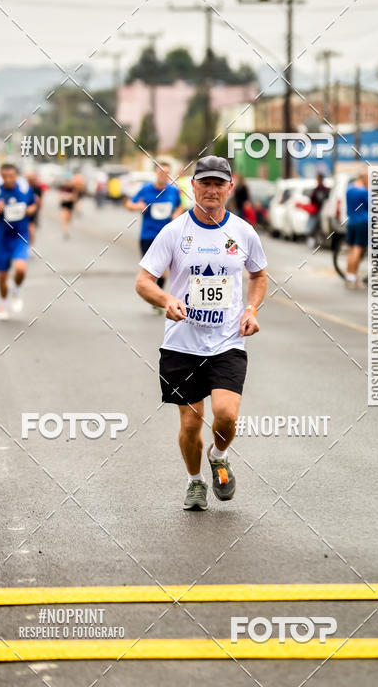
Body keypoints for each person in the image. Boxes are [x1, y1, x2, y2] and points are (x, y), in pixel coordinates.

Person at [135, 155, 268, 511]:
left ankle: (219, 455)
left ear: (229, 188)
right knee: (191, 423)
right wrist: (165, 299)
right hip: (182, 344)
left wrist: (251, 309)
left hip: (227, 342)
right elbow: (144, 281)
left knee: (226, 415)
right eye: (204, 183)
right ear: (193, 187)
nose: (211, 190)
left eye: (217, 184)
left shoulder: (242, 232)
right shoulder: (175, 232)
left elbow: (258, 276)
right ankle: (195, 482)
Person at [126, 162, 182, 306]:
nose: (164, 175)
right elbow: (129, 204)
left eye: (167, 172)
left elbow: (180, 206)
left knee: (163, 271)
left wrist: (176, 214)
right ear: (156, 173)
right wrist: (138, 206)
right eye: (161, 172)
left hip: (166, 237)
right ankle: (156, 298)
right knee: (151, 272)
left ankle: (158, 301)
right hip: (148, 235)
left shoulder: (173, 191)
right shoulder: (146, 189)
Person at [0, 164, 37, 320]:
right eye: (5, 176)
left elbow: (33, 204)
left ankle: (15, 291)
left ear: (16, 176)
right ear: (1, 176)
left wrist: (30, 211)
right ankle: (3, 304)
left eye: (11, 176)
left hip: (20, 236)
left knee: (21, 269)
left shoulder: (24, 189)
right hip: (3, 239)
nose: (8, 179)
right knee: (2, 276)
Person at [345, 169, 369, 289]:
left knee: (351, 249)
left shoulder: (349, 189)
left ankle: (349, 275)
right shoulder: (364, 192)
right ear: (364, 178)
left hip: (351, 221)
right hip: (363, 222)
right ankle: (353, 277)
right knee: (358, 249)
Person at [307, 172, 330, 247]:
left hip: (318, 210)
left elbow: (313, 198)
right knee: (318, 227)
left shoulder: (319, 189)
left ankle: (314, 242)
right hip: (321, 210)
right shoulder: (325, 189)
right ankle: (317, 241)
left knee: (314, 226)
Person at [25, 171, 43, 245]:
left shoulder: (37, 188)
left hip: (33, 212)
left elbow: (41, 201)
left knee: (31, 231)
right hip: (23, 212)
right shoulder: (24, 187)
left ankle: (30, 247)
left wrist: (38, 203)